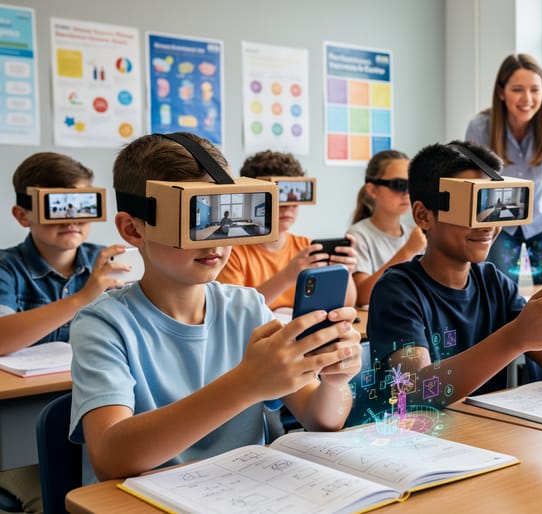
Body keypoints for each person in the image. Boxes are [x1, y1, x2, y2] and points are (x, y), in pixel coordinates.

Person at [68, 133, 362, 482]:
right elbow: (111, 457)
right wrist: (244, 385)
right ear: (133, 230)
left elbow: (322, 419)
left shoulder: (248, 308)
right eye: (195, 218)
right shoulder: (103, 323)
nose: (218, 239)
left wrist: (333, 380)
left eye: (227, 215)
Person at [367, 140, 542, 413]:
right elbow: (417, 390)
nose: (488, 225)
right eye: (472, 207)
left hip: (487, 436)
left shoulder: (494, 282)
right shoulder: (397, 290)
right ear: (423, 216)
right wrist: (514, 337)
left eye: (493, 207)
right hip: (419, 441)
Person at [0, 152, 127, 513]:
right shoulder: (6, 268)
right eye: (57, 206)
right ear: (23, 214)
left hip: (97, 407)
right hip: (22, 431)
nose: (72, 218)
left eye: (83, 205)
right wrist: (83, 298)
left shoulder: (107, 259)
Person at [465, 53, 542, 285]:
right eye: (517, 89)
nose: (527, 98)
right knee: (493, 289)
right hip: (499, 223)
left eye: (535, 90)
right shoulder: (480, 127)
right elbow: (474, 184)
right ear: (501, 92)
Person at [217, 150, 357, 310]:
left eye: (295, 196)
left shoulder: (306, 247)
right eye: (279, 197)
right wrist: (287, 277)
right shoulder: (232, 252)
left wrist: (345, 272)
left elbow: (346, 304)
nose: (289, 206)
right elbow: (235, 311)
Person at [347, 149, 425, 307]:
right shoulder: (358, 235)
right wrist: (407, 251)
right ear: (372, 190)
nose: (406, 193)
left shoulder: (414, 234)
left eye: (411, 185)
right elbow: (362, 296)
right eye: (399, 185)